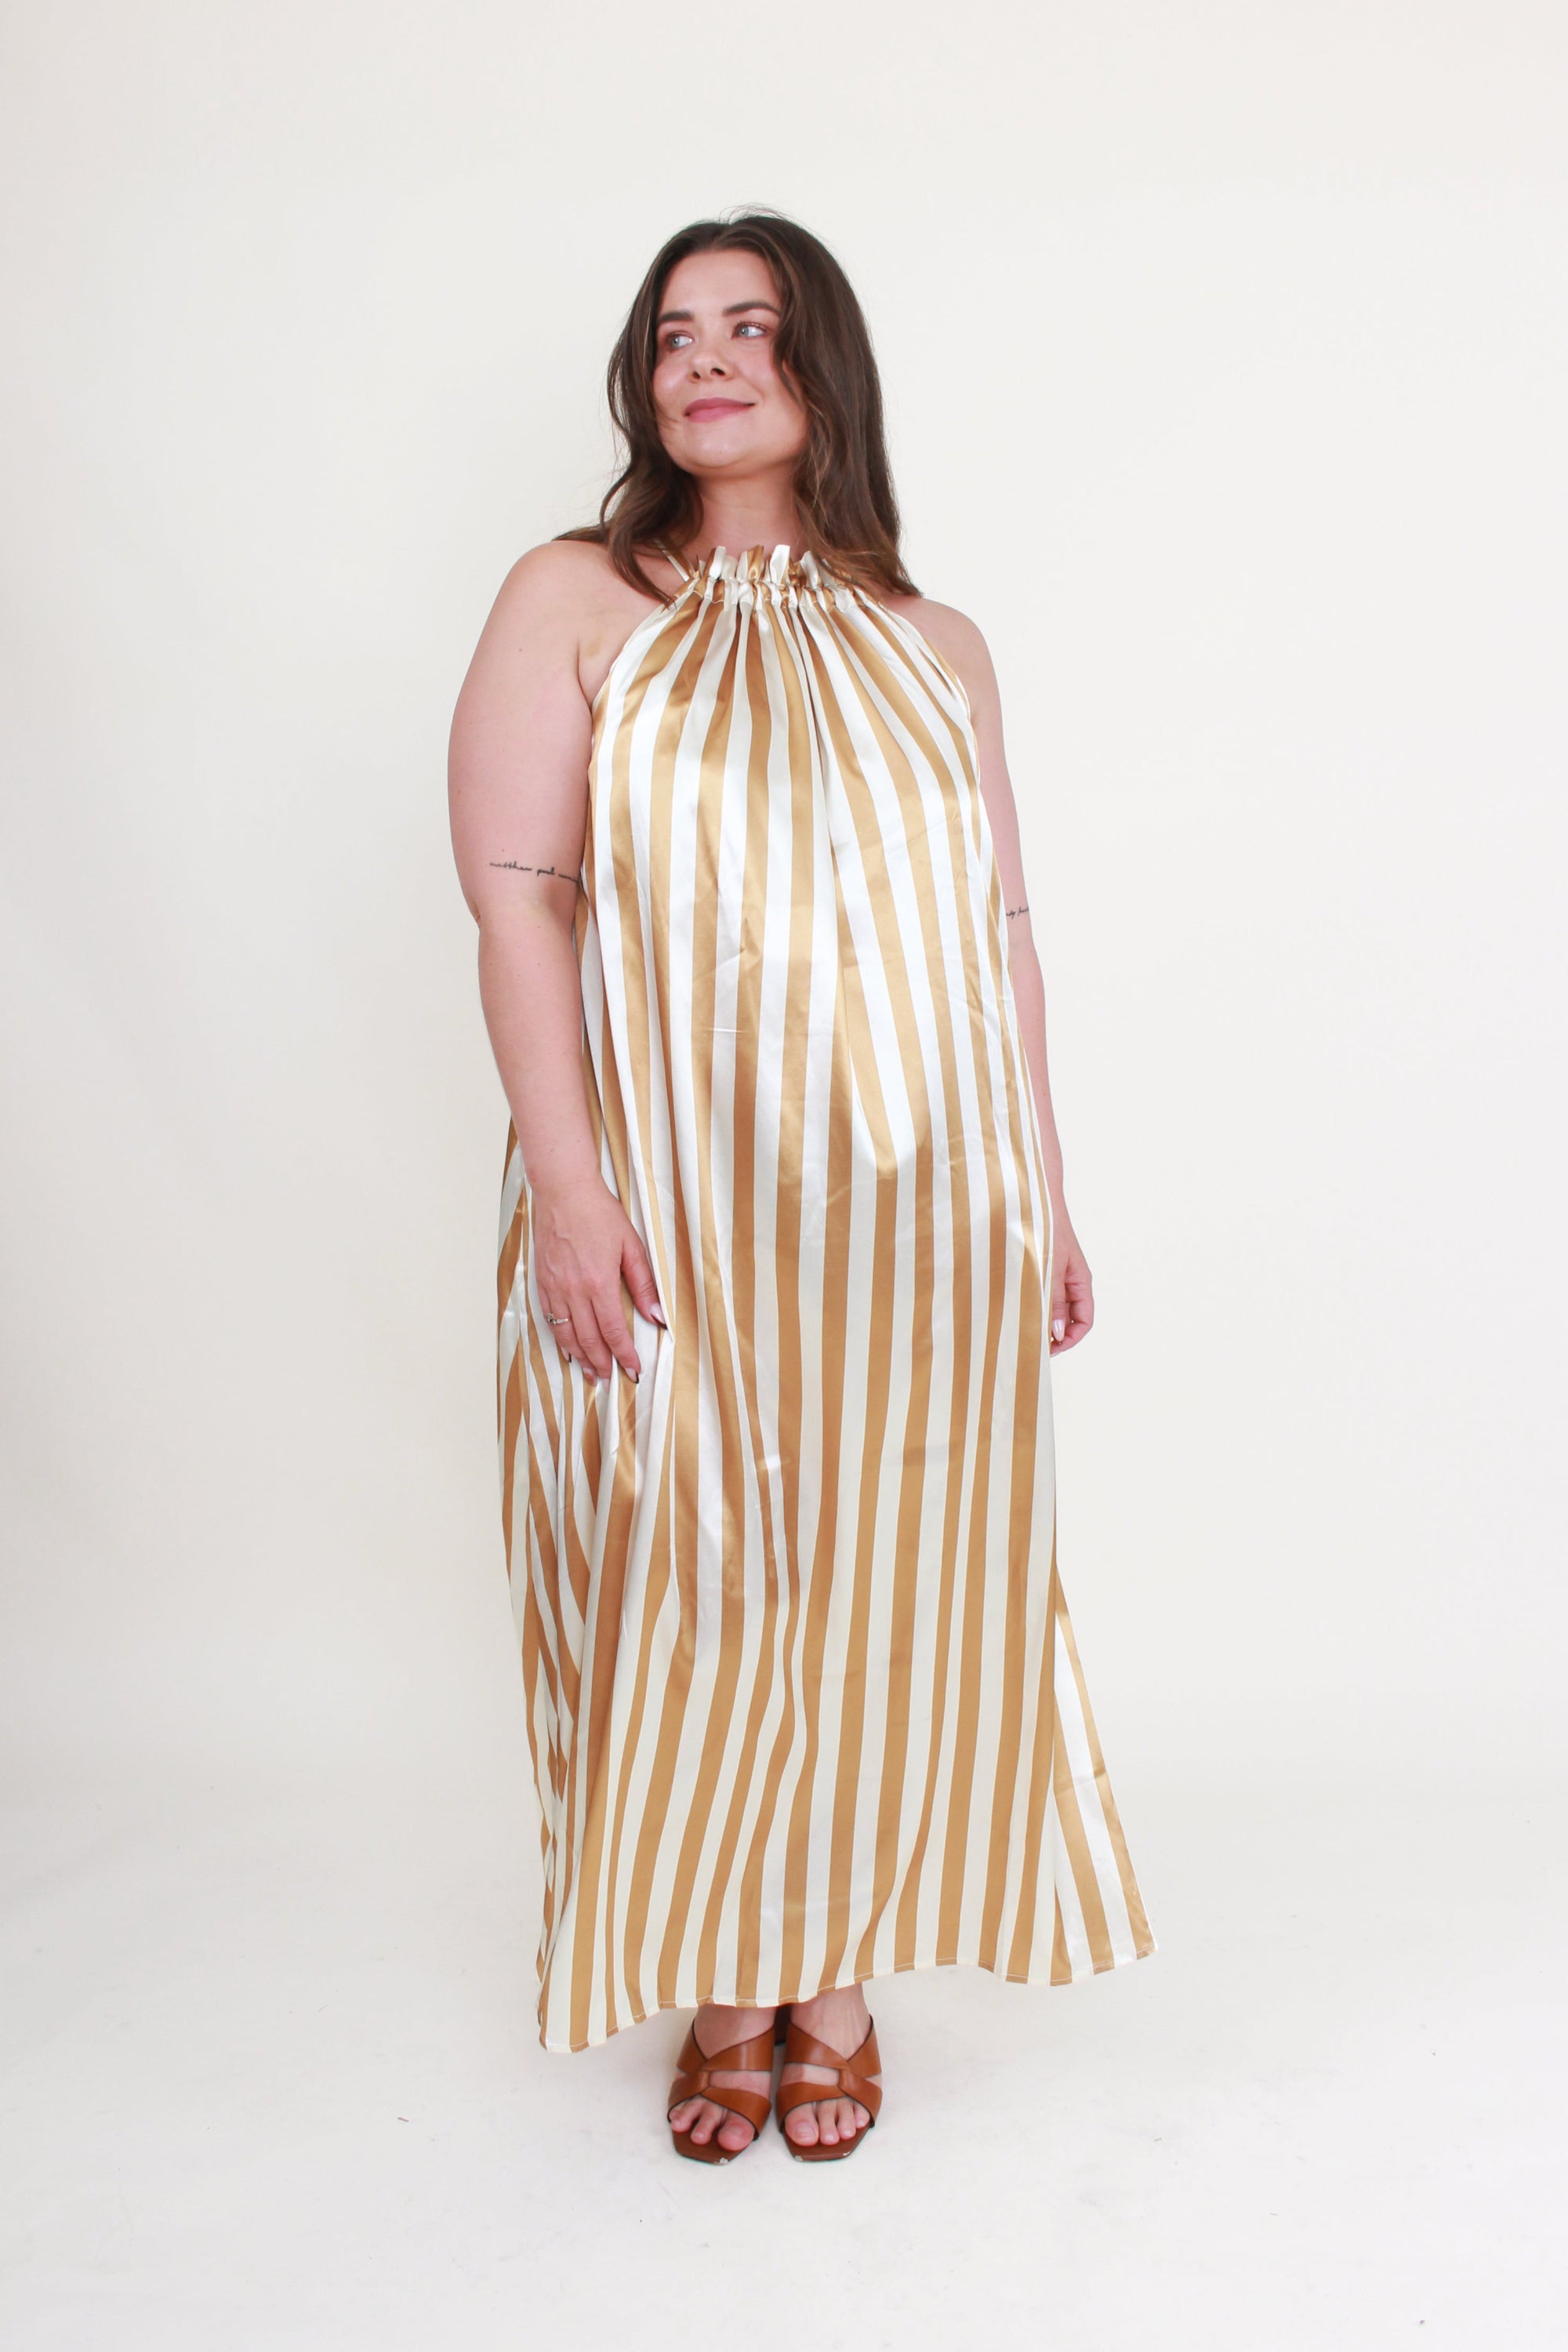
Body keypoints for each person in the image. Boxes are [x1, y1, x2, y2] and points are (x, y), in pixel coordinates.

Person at [448, 209, 1156, 2166]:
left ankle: (831, 1973)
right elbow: (520, 904)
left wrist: (1046, 1185)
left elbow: (997, 922)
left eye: (751, 328)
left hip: (921, 1208)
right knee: (685, 1562)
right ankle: (720, 1966)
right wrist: (574, 1194)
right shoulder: (577, 596)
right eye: (674, 332)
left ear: (821, 367)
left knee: (887, 1568)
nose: (707, 360)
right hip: (672, 1190)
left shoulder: (936, 644)